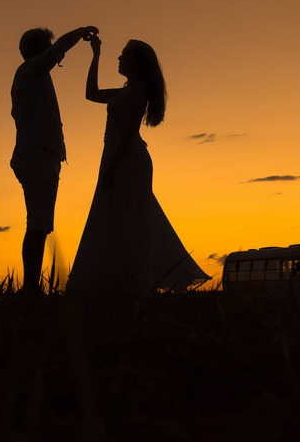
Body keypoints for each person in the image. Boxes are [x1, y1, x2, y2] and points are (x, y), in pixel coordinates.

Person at [67, 34, 209, 296]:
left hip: (127, 157)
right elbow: (91, 94)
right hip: (117, 155)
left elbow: (130, 130)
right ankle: (116, 282)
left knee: (127, 216)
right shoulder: (127, 90)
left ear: (137, 62)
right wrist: (95, 54)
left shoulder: (139, 89)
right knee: (118, 215)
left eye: (124, 54)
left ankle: (130, 282)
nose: (119, 58)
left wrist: (112, 168)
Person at [10, 25, 97, 294]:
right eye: (46, 48)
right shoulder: (31, 70)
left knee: (39, 224)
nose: (53, 54)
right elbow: (59, 49)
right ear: (33, 50)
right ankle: (30, 289)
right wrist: (80, 31)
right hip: (37, 155)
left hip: (36, 155)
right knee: (38, 225)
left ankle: (31, 288)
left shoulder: (31, 75)